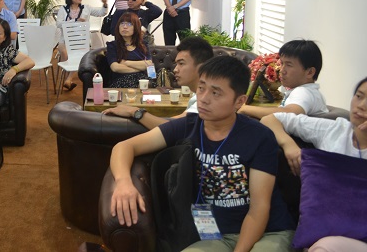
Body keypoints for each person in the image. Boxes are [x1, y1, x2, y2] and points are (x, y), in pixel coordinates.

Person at [109, 56, 295, 251]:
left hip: (268, 232)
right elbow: (124, 147)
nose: (204, 98)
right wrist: (123, 183)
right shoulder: (188, 126)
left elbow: (259, 209)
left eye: (215, 93)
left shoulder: (259, 137)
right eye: (201, 88)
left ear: (239, 101)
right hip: (216, 235)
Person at [261, 77, 367, 251]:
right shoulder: (333, 130)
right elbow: (270, 119)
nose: (361, 105)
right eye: (359, 96)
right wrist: (288, 145)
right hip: (323, 235)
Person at [103, 36, 214, 129]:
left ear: (201, 67)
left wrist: (134, 112)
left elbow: (172, 128)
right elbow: (176, 123)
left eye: (181, 64)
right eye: (176, 64)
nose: (175, 70)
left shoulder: (207, 101)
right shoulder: (197, 96)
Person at [239, 39, 328, 119]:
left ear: (310, 72)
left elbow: (289, 114)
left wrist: (245, 109)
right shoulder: (310, 92)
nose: (282, 70)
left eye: (289, 65)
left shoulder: (303, 92)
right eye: (282, 63)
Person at [56, 0, 108, 91]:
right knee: (63, 51)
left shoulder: (86, 8)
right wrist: (74, 21)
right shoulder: (63, 9)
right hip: (65, 40)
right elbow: (58, 24)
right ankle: (68, 77)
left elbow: (101, 13)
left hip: (80, 41)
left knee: (77, 54)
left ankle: (68, 79)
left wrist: (105, 5)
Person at [106, 12, 152, 88]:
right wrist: (140, 68)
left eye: (129, 24)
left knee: (150, 86)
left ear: (136, 27)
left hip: (143, 80)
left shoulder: (143, 45)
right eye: (122, 23)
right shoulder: (112, 45)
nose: (125, 27)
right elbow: (115, 67)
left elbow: (149, 64)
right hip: (121, 80)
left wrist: (126, 62)